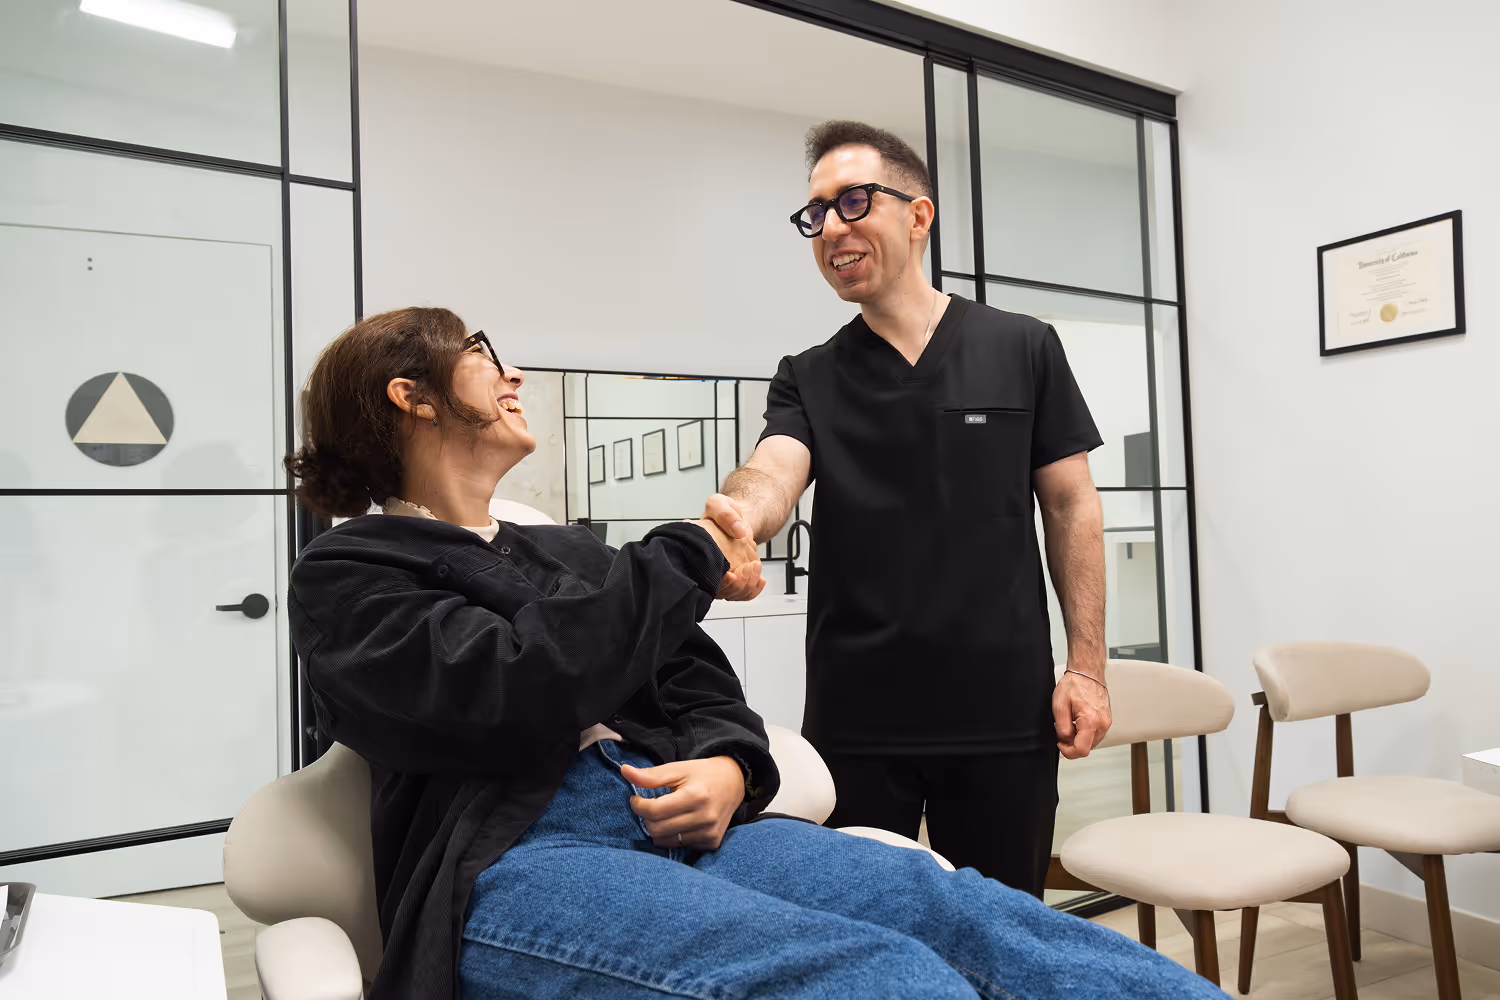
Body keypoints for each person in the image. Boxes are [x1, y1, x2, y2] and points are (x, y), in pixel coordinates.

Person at [284, 306, 1221, 1000]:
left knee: (981, 919)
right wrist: (688, 550)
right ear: (409, 396)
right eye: (482, 355)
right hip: (522, 856)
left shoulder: (570, 554)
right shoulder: (350, 572)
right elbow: (512, 685)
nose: (511, 372)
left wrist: (733, 764)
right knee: (882, 980)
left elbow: (698, 681)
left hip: (694, 825)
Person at [704, 121, 1110, 897]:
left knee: (1002, 928)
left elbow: (1070, 506)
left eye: (853, 201)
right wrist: (735, 520)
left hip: (1001, 714)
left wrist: (1086, 667)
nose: (831, 228)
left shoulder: (1023, 346)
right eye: (815, 213)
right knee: (867, 935)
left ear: (917, 215)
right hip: (858, 721)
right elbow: (773, 471)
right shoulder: (809, 376)